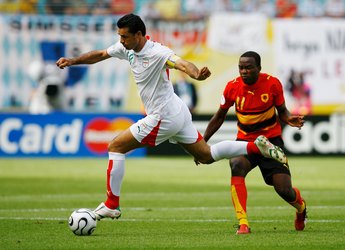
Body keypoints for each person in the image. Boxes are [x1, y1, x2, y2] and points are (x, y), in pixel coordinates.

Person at [56, 14, 287, 221]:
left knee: (115, 146)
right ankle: (255, 147)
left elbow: (181, 63)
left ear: (139, 35)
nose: (122, 40)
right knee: (206, 155)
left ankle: (111, 204)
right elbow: (100, 54)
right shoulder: (126, 48)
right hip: (177, 111)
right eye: (120, 36)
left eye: (125, 36)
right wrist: (72, 61)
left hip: (163, 116)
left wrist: (197, 74)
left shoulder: (157, 52)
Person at [202, 51, 307, 234]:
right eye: (241, 67)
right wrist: (203, 142)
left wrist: (289, 119)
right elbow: (219, 116)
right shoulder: (231, 87)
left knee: (284, 190)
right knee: (236, 165)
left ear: (259, 68)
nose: (244, 71)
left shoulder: (273, 83)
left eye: (249, 67)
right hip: (245, 141)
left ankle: (301, 209)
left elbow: (281, 110)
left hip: (271, 142)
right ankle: (243, 223)